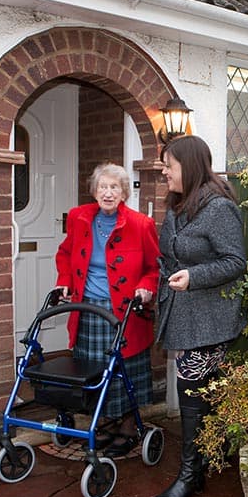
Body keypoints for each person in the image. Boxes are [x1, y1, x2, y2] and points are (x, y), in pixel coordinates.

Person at [154, 135, 247, 497]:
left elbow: (235, 262)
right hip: (182, 312)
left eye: (168, 165)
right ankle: (208, 459)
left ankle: (191, 474)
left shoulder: (219, 207)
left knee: (191, 387)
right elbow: (169, 254)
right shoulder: (177, 206)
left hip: (211, 317)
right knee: (202, 390)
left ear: (188, 166)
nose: (163, 172)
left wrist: (194, 276)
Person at [55, 162, 160, 457]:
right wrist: (64, 281)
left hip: (125, 314)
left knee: (124, 370)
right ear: (95, 191)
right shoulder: (79, 218)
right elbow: (64, 254)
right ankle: (106, 424)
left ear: (124, 192)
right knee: (95, 371)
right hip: (87, 310)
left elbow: (154, 268)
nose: (108, 193)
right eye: (103, 187)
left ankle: (127, 427)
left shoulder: (141, 225)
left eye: (114, 187)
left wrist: (146, 287)